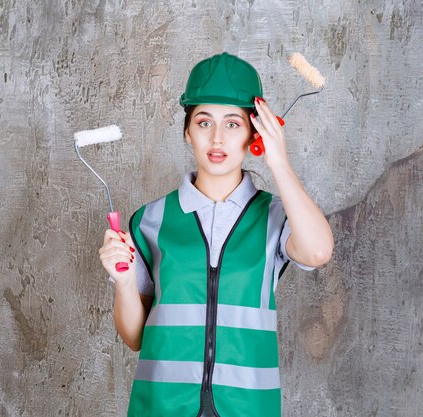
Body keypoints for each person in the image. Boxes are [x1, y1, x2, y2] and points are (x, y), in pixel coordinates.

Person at [98, 52, 334, 417]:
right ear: (187, 132)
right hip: (161, 407)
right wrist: (124, 283)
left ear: (255, 134)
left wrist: (279, 162)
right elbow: (135, 338)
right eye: (205, 123)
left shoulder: (277, 216)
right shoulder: (150, 219)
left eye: (233, 124)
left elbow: (318, 251)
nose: (218, 138)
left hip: (248, 408)